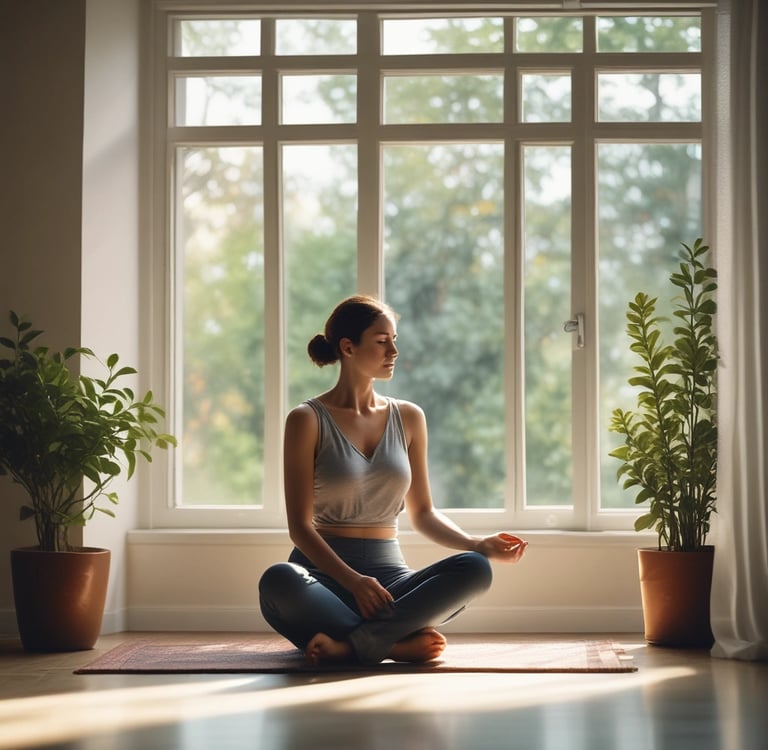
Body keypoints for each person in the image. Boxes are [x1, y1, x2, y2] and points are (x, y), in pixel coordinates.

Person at [258, 295, 528, 666]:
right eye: (382, 341)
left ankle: (352, 646)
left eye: (394, 339)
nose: (394, 350)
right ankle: (395, 643)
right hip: (324, 580)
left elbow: (425, 514)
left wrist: (477, 543)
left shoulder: (409, 417)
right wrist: (354, 582)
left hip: (392, 587)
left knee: (474, 567)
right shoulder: (306, 420)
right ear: (348, 347)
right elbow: (300, 528)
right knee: (279, 580)